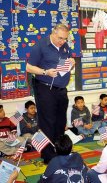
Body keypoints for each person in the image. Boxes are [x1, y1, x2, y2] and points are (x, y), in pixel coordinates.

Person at [26, 23, 75, 164]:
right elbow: (28, 67)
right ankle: (48, 156)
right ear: (53, 33)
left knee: (60, 122)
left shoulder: (65, 46)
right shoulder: (40, 46)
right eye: (60, 38)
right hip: (44, 88)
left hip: (61, 90)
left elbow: (69, 63)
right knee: (48, 123)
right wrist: (45, 72)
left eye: (65, 38)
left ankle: (60, 151)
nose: (62, 41)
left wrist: (72, 63)